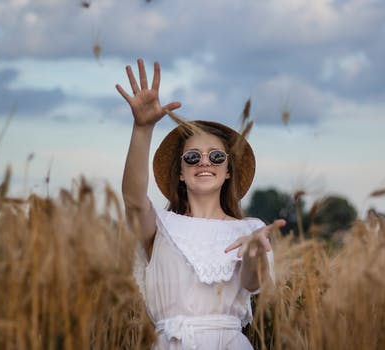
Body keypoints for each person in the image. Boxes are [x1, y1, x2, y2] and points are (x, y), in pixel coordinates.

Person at [116, 59, 285, 350]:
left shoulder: (250, 228)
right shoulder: (160, 225)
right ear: (181, 172)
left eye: (216, 157)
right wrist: (142, 129)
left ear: (228, 170)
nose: (204, 162)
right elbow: (133, 200)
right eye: (192, 157)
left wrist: (255, 253)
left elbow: (254, 284)